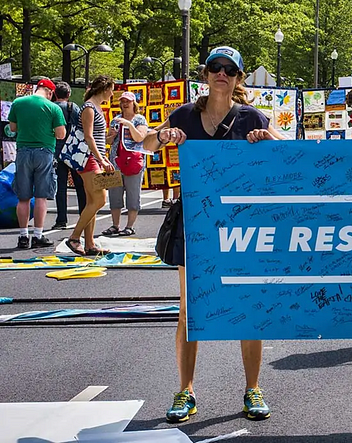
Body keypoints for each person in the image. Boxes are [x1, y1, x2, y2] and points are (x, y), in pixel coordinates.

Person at [139, 47, 279, 423]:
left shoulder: (251, 117)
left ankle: (253, 389)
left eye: (230, 69)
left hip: (239, 223)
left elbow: (284, 153)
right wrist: (162, 135)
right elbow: (148, 144)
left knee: (248, 305)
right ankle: (185, 391)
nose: (222, 73)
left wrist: (268, 139)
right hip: (195, 222)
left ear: (238, 78)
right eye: (215, 67)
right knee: (190, 309)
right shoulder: (185, 114)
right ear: (206, 74)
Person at [8, 78, 66, 249]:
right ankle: (38, 235)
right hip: (45, 152)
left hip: (23, 152)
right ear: (49, 92)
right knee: (41, 196)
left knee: (23, 197)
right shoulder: (53, 107)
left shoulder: (18, 102)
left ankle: (23, 236)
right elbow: (61, 134)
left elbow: (12, 128)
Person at [64, 76, 116, 256]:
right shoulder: (89, 108)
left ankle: (90, 243)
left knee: (92, 202)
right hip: (88, 159)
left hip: (95, 158)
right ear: (104, 89)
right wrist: (101, 159)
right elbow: (89, 137)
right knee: (100, 199)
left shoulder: (96, 107)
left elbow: (99, 138)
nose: (112, 93)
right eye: (111, 89)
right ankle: (74, 238)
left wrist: (104, 157)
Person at [101, 92, 150, 237]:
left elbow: (140, 137)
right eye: (122, 101)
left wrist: (129, 125)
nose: (124, 104)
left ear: (133, 103)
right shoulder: (115, 120)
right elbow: (108, 141)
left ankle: (130, 226)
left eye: (127, 101)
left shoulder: (140, 119)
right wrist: (112, 135)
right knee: (114, 194)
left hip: (134, 163)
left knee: (133, 195)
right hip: (116, 162)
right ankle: (115, 225)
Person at [51, 81, 86, 230]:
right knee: (80, 185)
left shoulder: (51, 108)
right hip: (72, 150)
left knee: (61, 187)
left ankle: (61, 220)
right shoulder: (73, 107)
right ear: (69, 94)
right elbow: (81, 126)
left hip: (56, 151)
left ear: (54, 94)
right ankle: (84, 216)